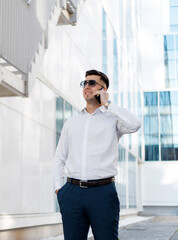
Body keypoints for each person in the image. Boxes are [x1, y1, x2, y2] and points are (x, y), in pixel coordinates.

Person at [53, 69, 141, 240]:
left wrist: (109, 104)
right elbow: (59, 157)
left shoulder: (113, 119)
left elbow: (135, 124)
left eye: (92, 83)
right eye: (84, 83)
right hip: (72, 193)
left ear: (103, 90)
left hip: (103, 192)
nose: (87, 86)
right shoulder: (71, 123)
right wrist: (59, 189)